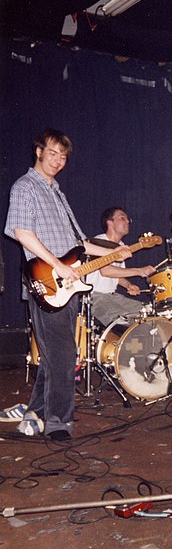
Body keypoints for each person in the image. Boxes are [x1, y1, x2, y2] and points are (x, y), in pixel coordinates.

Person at [4, 128, 131, 441]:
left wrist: (116, 252)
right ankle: (59, 423)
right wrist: (59, 265)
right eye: (52, 153)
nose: (58, 160)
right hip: (47, 281)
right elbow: (22, 233)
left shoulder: (58, 193)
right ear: (39, 151)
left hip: (68, 284)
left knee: (54, 354)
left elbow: (81, 245)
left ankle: (35, 414)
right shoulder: (25, 186)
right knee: (63, 353)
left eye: (63, 156)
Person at [86, 206, 155, 327]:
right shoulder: (97, 242)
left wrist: (129, 285)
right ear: (110, 222)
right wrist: (139, 271)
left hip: (113, 296)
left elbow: (117, 275)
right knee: (125, 321)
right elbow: (106, 271)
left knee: (150, 314)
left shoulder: (122, 246)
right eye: (123, 218)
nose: (128, 221)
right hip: (95, 297)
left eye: (128, 219)